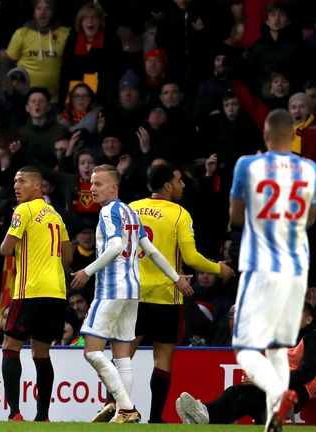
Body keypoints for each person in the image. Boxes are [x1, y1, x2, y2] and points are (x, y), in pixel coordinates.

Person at [70, 165, 192, 423]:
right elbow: (153, 251)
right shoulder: (129, 211)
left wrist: (87, 271)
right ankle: (120, 411)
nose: (92, 189)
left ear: (114, 187)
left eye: (98, 184)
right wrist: (176, 278)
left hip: (111, 290)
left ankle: (126, 408)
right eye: (91, 184)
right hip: (132, 292)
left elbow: (115, 247)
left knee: (91, 351)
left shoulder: (108, 212)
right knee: (122, 357)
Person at [229, 109, 316, 432]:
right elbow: (310, 220)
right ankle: (273, 420)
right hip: (296, 269)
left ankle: (279, 393)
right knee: (278, 347)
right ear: (294, 134)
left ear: (266, 135)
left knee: (244, 349)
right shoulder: (310, 170)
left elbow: (236, 216)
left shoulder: (248, 165)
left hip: (260, 266)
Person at [124, 163, 235, 424]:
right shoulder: (179, 214)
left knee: (123, 356)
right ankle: (155, 418)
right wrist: (219, 268)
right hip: (166, 296)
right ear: (167, 186)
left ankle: (115, 410)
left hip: (133, 295)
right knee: (162, 359)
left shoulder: (131, 209)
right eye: (179, 179)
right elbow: (191, 257)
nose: (183, 184)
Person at [0, 165, 73, 422]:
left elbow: (5, 249)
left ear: (37, 186)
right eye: (15, 182)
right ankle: (43, 416)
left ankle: (14, 413)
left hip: (30, 289)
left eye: (21, 181)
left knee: (11, 346)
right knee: (41, 353)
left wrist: (17, 240)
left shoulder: (23, 210)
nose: (16, 186)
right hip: (56, 292)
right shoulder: (56, 215)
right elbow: (68, 257)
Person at [176, 302, 316, 425]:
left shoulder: (315, 338)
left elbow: (305, 374)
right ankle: (204, 411)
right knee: (235, 390)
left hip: (298, 390)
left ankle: (206, 423)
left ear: (308, 319)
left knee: (248, 399)